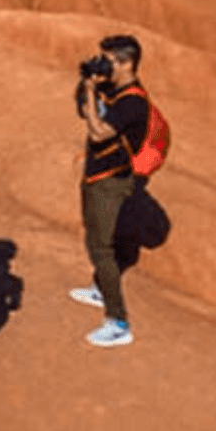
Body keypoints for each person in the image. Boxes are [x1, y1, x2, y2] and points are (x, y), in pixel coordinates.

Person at [70, 34, 149, 348]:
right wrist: (86, 85)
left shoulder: (133, 101)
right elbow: (82, 111)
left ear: (127, 63)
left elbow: (100, 132)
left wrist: (90, 91)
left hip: (111, 179)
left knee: (100, 247)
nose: (103, 65)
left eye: (109, 60)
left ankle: (118, 321)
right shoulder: (112, 89)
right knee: (94, 232)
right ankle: (100, 287)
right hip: (97, 173)